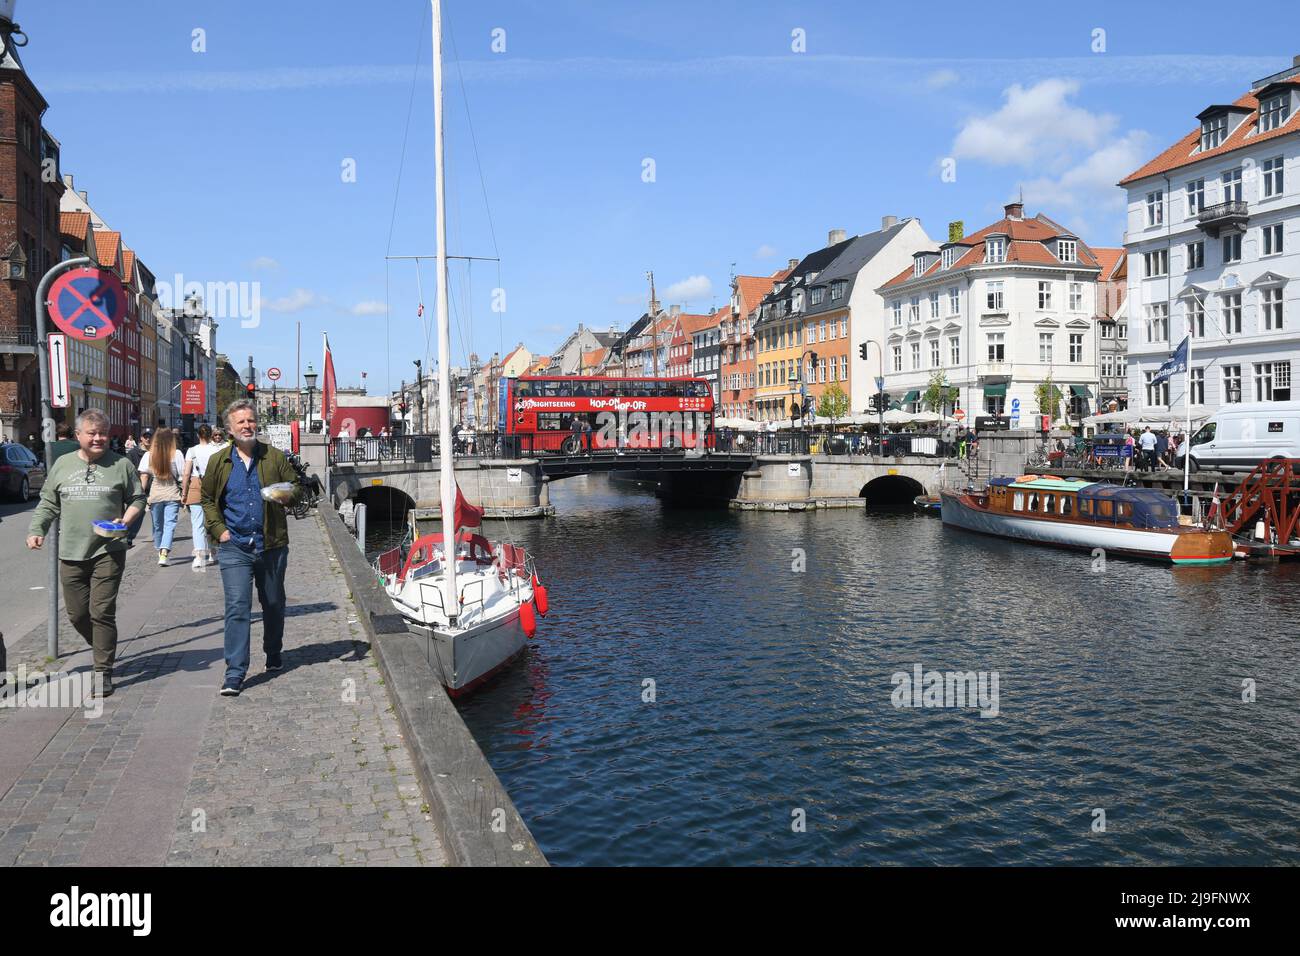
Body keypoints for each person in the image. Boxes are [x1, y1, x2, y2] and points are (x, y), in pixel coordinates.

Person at [25, 409, 146, 698]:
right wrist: (36, 529)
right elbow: (48, 502)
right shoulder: (63, 465)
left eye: (102, 433)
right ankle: (104, 647)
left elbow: (138, 498)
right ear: (78, 435)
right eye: (91, 433)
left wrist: (125, 521)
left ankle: (102, 670)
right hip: (71, 551)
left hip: (109, 548)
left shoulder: (121, 465)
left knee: (101, 611)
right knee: (77, 614)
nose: (98, 438)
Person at [202, 399, 303, 697]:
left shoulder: (273, 457)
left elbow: (296, 487)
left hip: (270, 543)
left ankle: (273, 650)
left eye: (250, 420)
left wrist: (287, 495)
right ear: (230, 429)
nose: (247, 426)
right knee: (237, 606)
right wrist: (218, 530)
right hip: (234, 546)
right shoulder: (218, 462)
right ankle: (234, 672)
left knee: (273, 603)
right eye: (241, 422)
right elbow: (207, 499)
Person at [138, 427, 184, 566]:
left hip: (156, 493)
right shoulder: (177, 454)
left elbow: (144, 475)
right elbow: (182, 476)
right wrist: (185, 493)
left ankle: (160, 550)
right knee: (170, 524)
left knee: (157, 526)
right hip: (172, 492)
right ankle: (164, 550)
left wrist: (140, 494)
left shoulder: (149, 455)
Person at [181, 424, 222, 570]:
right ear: (211, 435)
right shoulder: (217, 450)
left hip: (196, 485)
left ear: (198, 435)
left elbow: (186, 473)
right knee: (212, 520)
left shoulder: (192, 451)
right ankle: (213, 551)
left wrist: (184, 493)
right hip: (213, 486)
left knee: (197, 523)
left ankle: (199, 557)